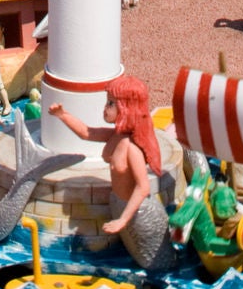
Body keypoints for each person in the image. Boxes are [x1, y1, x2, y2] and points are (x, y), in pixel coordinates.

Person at [49, 76, 172, 270]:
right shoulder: (116, 136)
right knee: (141, 261)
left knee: (155, 263)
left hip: (138, 215)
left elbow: (143, 186)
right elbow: (86, 132)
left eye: (111, 103)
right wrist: (63, 115)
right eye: (107, 102)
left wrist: (123, 220)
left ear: (127, 107)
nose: (105, 108)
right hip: (121, 206)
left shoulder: (131, 147)